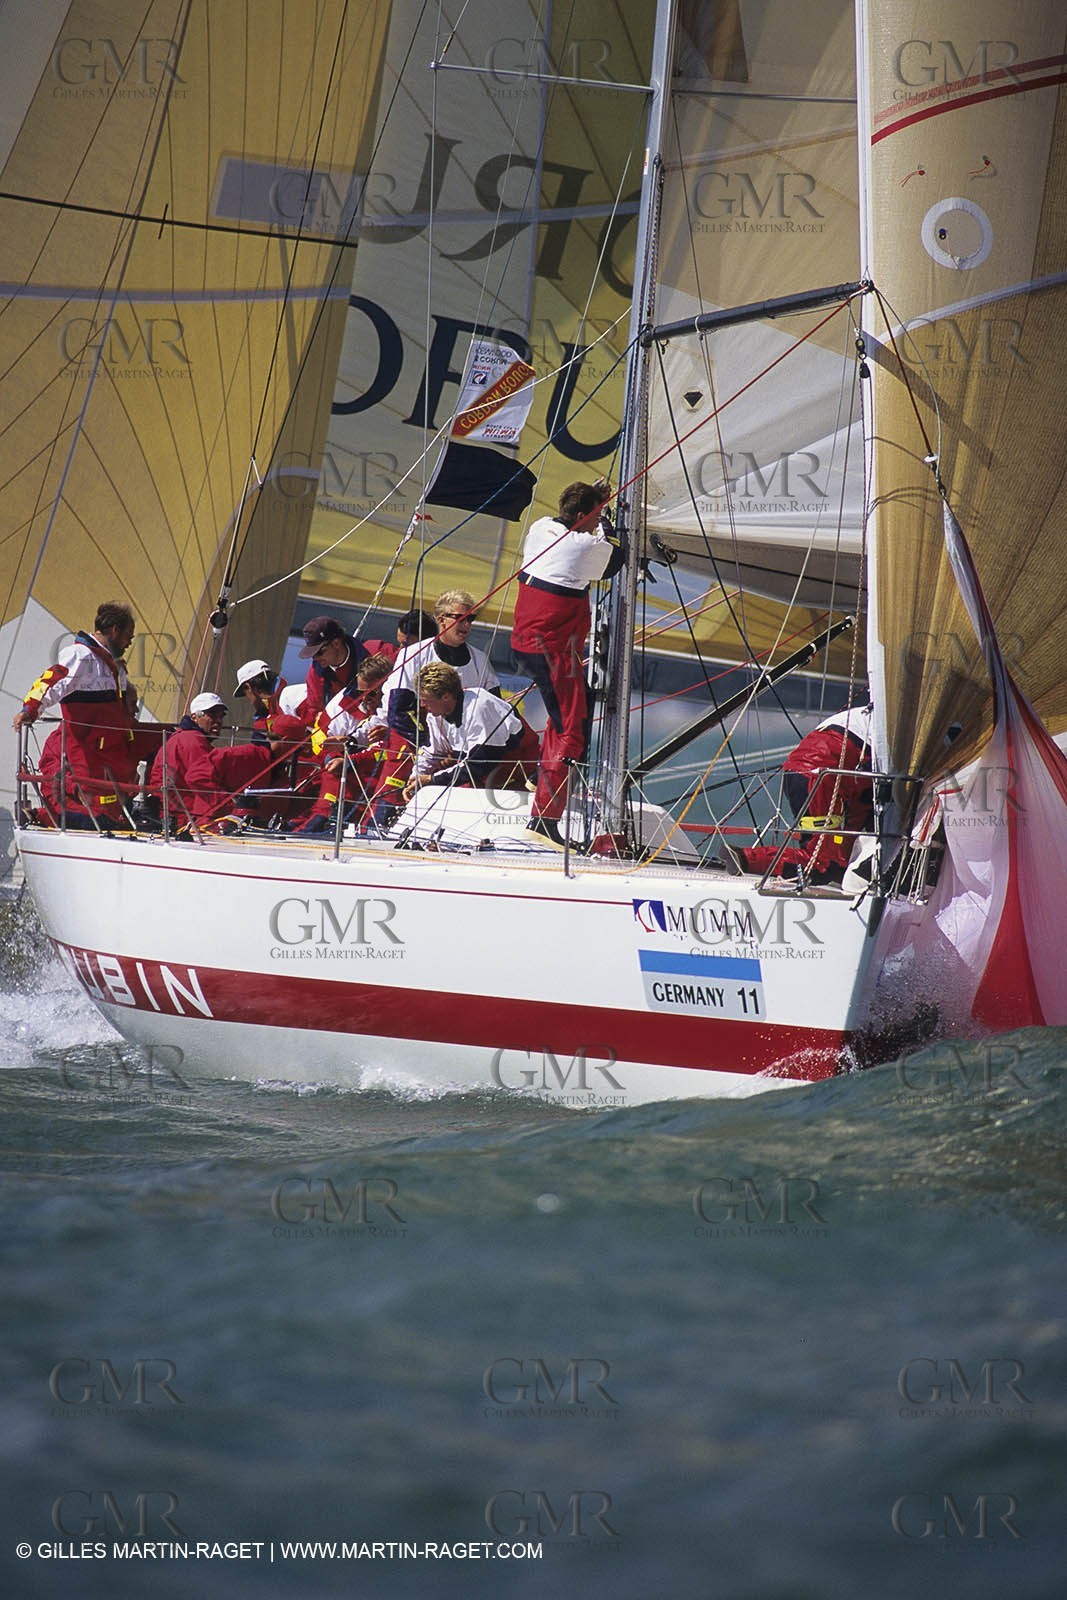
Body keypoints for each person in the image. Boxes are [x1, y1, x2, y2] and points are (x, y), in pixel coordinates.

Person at [511, 480, 623, 841]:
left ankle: (538, 776)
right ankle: (544, 821)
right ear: (581, 516)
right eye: (594, 517)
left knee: (565, 718)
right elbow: (615, 559)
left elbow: (590, 539)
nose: (596, 523)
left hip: (531, 645)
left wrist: (598, 505)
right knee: (572, 733)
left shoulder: (540, 527)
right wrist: (609, 522)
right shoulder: (581, 545)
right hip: (554, 653)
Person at [13, 601, 162, 826]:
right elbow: (52, 680)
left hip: (111, 759)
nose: (130, 642)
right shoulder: (80, 656)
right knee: (99, 817)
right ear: (115, 630)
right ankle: (45, 817)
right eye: (128, 636)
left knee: (166, 739)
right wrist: (30, 709)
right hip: (90, 760)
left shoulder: (114, 666)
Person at [371, 590, 502, 816]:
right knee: (393, 797)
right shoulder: (413, 654)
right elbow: (398, 711)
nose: (467, 625)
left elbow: (495, 711)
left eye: (471, 619)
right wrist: (433, 747)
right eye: (461, 618)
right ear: (441, 619)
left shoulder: (480, 661)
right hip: (415, 742)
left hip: (463, 752)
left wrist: (456, 753)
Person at [728, 704, 874, 882]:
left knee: (838, 859)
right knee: (823, 865)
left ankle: (745, 859)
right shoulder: (892, 728)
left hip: (799, 771)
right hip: (822, 777)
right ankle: (746, 859)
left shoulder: (866, 715)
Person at [148, 691, 303, 830]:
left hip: (175, 814)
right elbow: (198, 776)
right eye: (212, 714)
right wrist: (232, 807)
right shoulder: (193, 741)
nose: (218, 720)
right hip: (186, 819)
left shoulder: (181, 737)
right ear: (195, 717)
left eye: (221, 715)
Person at [402, 663, 538, 799]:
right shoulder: (435, 715)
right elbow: (431, 752)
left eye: (425, 700)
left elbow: (479, 764)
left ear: (446, 696)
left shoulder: (480, 707)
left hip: (520, 775)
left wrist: (431, 780)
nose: (422, 705)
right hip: (482, 776)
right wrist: (416, 777)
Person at [295, 654, 392, 832]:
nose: (364, 699)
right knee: (333, 764)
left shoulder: (400, 706)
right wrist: (342, 750)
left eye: (371, 694)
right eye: (360, 693)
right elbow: (328, 745)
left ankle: (327, 819)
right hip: (351, 775)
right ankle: (323, 817)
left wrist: (352, 758)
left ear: (387, 688)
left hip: (384, 776)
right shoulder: (342, 706)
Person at [298, 615, 394, 722]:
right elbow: (314, 709)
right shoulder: (316, 672)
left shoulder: (379, 650)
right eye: (312, 654)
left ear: (336, 643)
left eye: (319, 652)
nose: (315, 658)